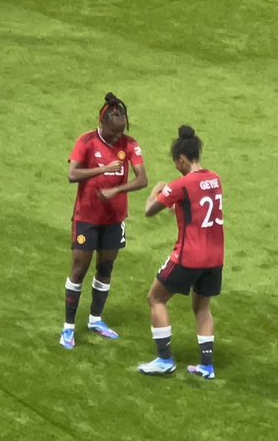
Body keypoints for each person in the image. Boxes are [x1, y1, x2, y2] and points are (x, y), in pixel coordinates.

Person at [60, 93, 148, 350]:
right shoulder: (86, 141)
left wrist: (117, 191)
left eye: (120, 132)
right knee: (79, 269)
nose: (116, 138)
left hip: (114, 218)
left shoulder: (129, 144)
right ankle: (68, 328)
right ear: (102, 125)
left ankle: (96, 319)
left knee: (106, 269)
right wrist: (103, 170)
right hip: (87, 217)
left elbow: (142, 179)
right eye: (112, 133)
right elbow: (72, 174)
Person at [137, 126, 225, 380]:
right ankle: (207, 366)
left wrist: (158, 189)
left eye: (176, 161)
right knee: (201, 306)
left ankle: (165, 360)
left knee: (155, 298)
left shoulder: (181, 185)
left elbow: (150, 210)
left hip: (190, 255)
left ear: (182, 159)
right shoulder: (215, 179)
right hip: (216, 257)